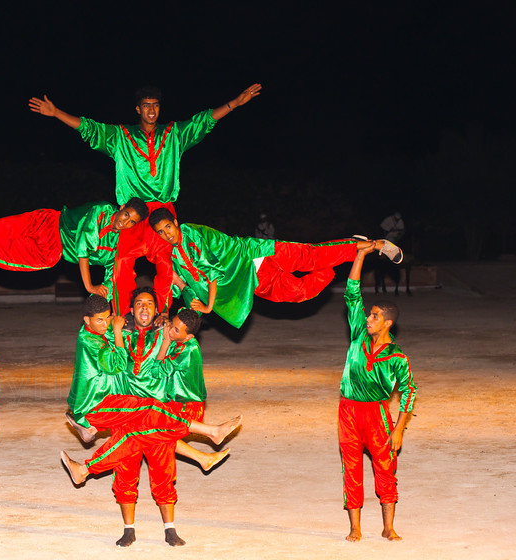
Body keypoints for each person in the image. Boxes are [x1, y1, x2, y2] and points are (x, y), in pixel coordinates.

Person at [29, 84, 262, 315]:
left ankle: (161, 316)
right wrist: (56, 112)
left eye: (156, 105)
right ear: (138, 109)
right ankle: (122, 318)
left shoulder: (174, 135)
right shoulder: (121, 137)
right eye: (146, 105)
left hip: (162, 214)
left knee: (166, 267)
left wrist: (235, 103)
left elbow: (202, 122)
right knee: (121, 267)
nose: (151, 109)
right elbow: (90, 128)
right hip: (133, 213)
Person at [62, 294, 239, 547]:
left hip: (158, 416)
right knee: (125, 473)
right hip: (126, 412)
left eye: (149, 303)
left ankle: (170, 528)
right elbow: (97, 328)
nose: (144, 307)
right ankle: (128, 528)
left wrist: (168, 332)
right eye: (138, 303)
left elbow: (185, 334)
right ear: (130, 311)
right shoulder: (114, 334)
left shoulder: (166, 335)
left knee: (163, 472)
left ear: (158, 311)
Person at [148, 208, 403, 328]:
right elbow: (187, 292)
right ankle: (348, 249)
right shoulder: (172, 258)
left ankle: (375, 244)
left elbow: (212, 273)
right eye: (161, 232)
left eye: (168, 227)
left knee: (309, 256)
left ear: (176, 222)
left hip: (257, 253)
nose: (167, 234)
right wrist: (172, 299)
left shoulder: (193, 234)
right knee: (299, 292)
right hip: (251, 280)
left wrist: (208, 306)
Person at [0, 198, 148, 312]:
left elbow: (112, 270)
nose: (124, 222)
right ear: (122, 207)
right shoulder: (101, 210)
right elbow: (84, 249)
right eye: (126, 215)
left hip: (51, 252)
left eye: (131, 223)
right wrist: (90, 286)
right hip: (47, 224)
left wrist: (105, 291)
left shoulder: (117, 244)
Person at [337, 241, 417, 542]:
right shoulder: (359, 333)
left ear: (388, 322)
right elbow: (351, 293)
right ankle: (355, 527)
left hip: (378, 414)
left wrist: (398, 430)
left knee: (385, 468)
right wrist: (360, 255)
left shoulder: (397, 356)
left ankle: (388, 527)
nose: (368, 319)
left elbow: (409, 390)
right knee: (352, 469)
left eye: (374, 317)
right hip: (348, 410)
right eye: (368, 315)